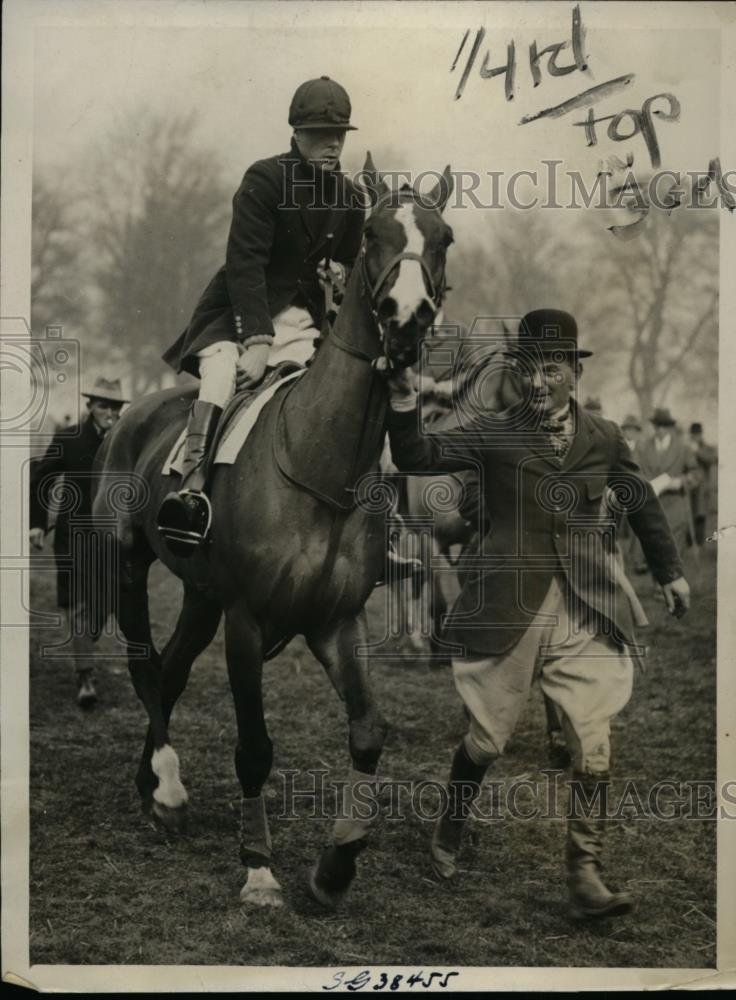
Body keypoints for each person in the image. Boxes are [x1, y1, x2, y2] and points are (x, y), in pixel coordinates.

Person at [385, 308, 690, 919]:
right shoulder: (493, 431)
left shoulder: (603, 435)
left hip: (585, 605)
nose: (539, 382)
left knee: (594, 740)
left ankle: (585, 875)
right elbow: (418, 455)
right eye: (528, 370)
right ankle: (450, 823)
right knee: (488, 739)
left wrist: (670, 571)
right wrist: (400, 396)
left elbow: (639, 503)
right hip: (508, 606)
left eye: (551, 369)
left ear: (574, 372)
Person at [157, 76, 365, 555]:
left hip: (308, 324)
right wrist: (256, 340)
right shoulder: (265, 179)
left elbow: (348, 268)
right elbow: (245, 263)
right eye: (319, 132)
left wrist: (341, 287)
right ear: (296, 131)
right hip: (239, 314)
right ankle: (191, 490)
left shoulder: (352, 199)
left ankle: (356, 519)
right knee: (221, 378)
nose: (333, 142)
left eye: (340, 133)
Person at [29, 376, 129, 708]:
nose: (110, 412)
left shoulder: (123, 442)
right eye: (104, 405)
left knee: (104, 604)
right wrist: (37, 525)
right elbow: (40, 479)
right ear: (90, 407)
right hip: (73, 538)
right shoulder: (68, 439)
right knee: (78, 605)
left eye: (115, 406)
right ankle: (85, 678)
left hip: (110, 540)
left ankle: (84, 645)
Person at [637, 408, 701, 555]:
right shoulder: (644, 448)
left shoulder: (682, 448)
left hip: (675, 506)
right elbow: (636, 472)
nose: (660, 429)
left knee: (673, 556)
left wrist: (680, 481)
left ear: (670, 427)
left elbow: (696, 474)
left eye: (664, 425)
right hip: (652, 507)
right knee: (657, 558)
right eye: (657, 425)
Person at [688, 422, 717, 546]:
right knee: (688, 512)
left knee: (700, 513)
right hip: (689, 484)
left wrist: (697, 451)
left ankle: (700, 542)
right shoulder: (687, 447)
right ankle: (689, 541)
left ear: (701, 434)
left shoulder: (708, 448)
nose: (695, 437)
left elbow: (710, 460)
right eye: (693, 434)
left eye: (697, 434)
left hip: (701, 486)